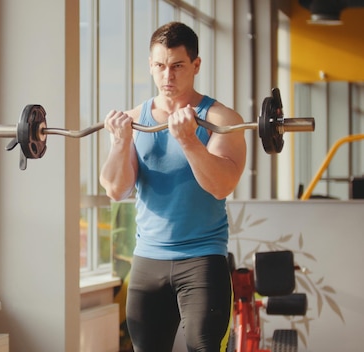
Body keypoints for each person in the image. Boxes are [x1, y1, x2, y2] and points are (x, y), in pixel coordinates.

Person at [99, 22, 247, 352]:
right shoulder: (136, 120)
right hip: (147, 262)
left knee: (203, 347)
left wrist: (189, 141)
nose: (168, 76)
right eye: (160, 66)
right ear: (150, 65)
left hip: (203, 260)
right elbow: (116, 189)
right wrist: (120, 143)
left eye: (177, 66)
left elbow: (221, 186)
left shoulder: (221, 120)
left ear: (196, 65)